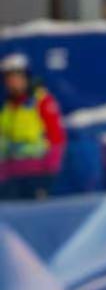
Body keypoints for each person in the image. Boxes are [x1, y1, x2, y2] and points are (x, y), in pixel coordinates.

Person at [0, 53, 65, 202]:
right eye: (8, 79)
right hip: (12, 178)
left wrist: (49, 174)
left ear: (25, 77)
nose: (12, 82)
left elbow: (56, 137)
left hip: (38, 175)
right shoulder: (7, 109)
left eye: (16, 77)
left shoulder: (41, 101)